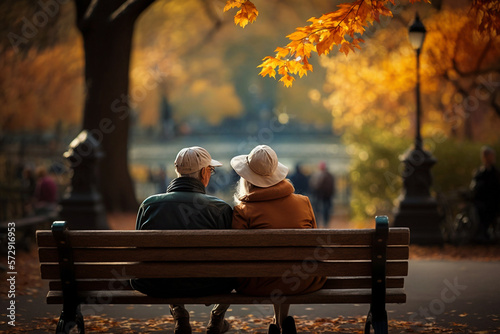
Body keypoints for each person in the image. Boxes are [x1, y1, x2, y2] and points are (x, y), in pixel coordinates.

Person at [130, 146, 236, 334]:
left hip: (157, 283)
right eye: (210, 170)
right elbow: (231, 256)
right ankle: (217, 317)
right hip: (210, 284)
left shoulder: (149, 205)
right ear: (204, 172)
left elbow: (140, 251)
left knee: (167, 262)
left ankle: (179, 313)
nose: (210, 174)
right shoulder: (219, 208)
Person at [230, 145, 326, 334]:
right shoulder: (303, 202)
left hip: (257, 284)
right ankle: (280, 320)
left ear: (247, 178)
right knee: (291, 265)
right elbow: (315, 247)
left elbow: (237, 254)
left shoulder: (243, 210)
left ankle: (277, 322)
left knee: (271, 270)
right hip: (304, 280)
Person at [470, 146, 500, 242]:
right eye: (490, 156)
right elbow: (475, 188)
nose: (492, 158)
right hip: (482, 201)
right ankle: (482, 234)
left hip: (495, 200)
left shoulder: (496, 172)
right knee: (482, 211)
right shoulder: (479, 172)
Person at [309, 161, 335, 227]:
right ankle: (325, 223)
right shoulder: (330, 175)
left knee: (318, 210)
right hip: (327, 196)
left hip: (319, 196)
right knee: (326, 211)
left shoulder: (317, 175)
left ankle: (318, 223)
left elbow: (314, 185)